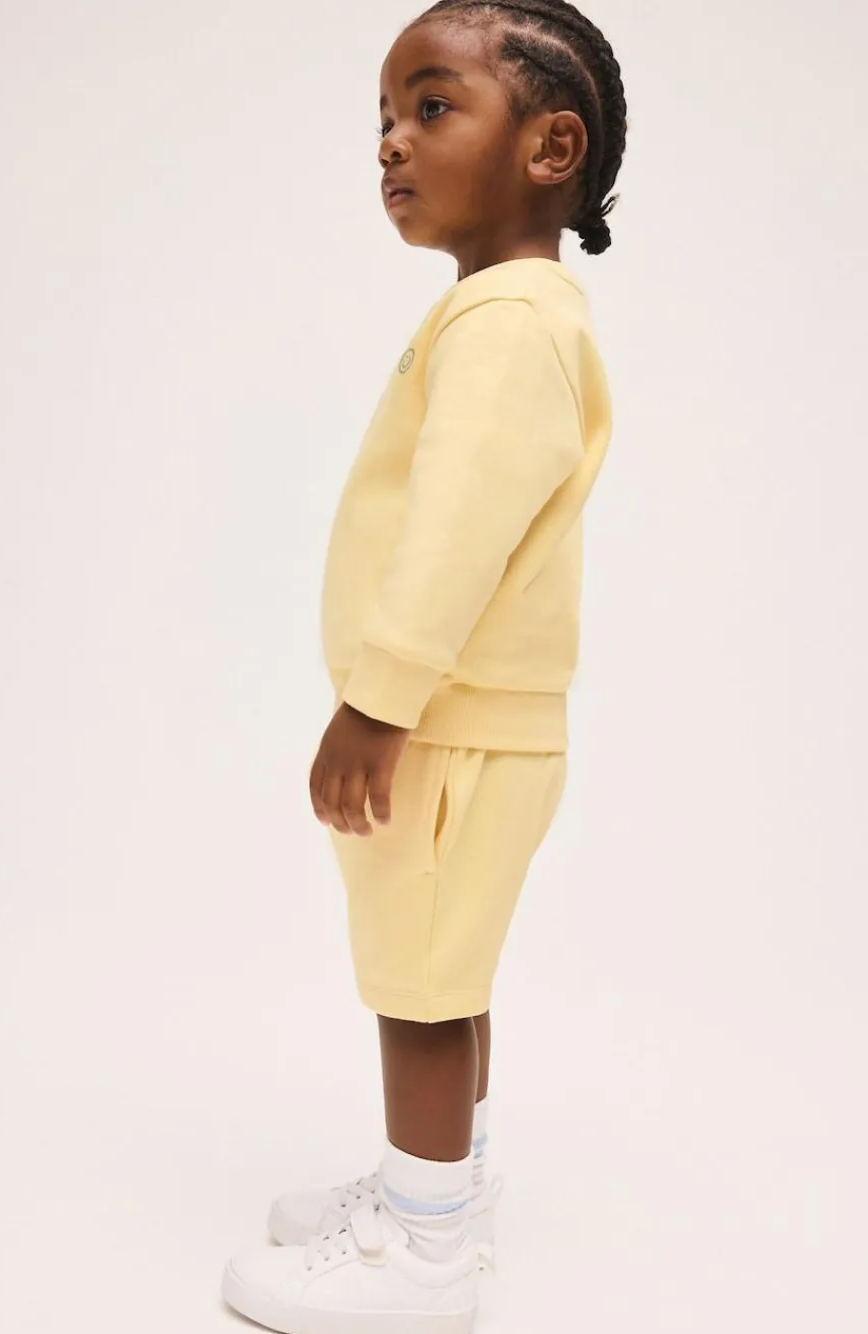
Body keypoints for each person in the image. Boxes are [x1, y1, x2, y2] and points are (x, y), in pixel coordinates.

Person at [222, 1, 626, 1329]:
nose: (393, 142)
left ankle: (425, 1255)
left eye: (433, 107)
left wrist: (377, 700)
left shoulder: (506, 327)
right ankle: (441, 1189)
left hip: (439, 726)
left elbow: (456, 533)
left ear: (550, 147)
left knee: (419, 988)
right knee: (446, 972)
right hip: (464, 725)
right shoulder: (499, 316)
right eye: (386, 120)